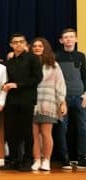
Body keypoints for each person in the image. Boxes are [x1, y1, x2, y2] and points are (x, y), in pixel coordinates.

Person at [2, 33, 42, 171]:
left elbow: (37, 78)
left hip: (27, 99)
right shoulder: (9, 62)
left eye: (21, 42)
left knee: (26, 130)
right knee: (11, 130)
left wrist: (18, 85)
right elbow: (8, 79)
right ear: (11, 45)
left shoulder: (33, 59)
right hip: (12, 100)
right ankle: (13, 159)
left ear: (25, 44)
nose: (18, 44)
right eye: (15, 42)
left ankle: (27, 160)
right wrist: (6, 84)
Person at [30, 37, 67, 171]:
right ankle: (37, 160)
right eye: (35, 46)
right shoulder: (28, 63)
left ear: (45, 48)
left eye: (40, 46)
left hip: (48, 102)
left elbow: (60, 84)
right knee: (33, 134)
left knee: (46, 133)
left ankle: (46, 160)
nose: (37, 48)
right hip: (32, 102)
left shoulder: (53, 65)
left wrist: (62, 102)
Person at [54, 28, 86, 169]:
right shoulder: (56, 56)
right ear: (61, 40)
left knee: (83, 128)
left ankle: (82, 158)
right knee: (62, 129)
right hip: (63, 99)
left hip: (80, 97)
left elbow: (84, 76)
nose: (68, 39)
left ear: (76, 39)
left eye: (71, 37)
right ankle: (65, 158)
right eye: (65, 37)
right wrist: (59, 99)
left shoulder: (81, 56)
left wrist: (85, 94)